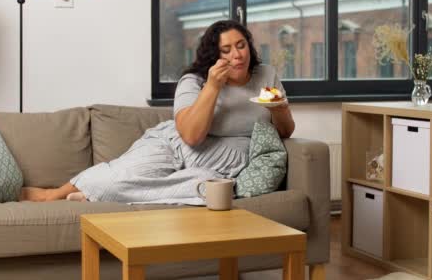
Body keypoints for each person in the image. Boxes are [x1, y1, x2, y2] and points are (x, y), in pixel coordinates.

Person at [21, 20, 295, 203]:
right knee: (120, 175)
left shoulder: (266, 75)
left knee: (201, 185)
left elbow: (285, 131)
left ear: (249, 45)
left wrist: (280, 108)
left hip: (222, 162)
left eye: (241, 45)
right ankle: (54, 194)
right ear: (214, 56)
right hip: (175, 143)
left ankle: (101, 194)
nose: (237, 55)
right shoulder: (195, 81)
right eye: (226, 50)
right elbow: (190, 135)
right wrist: (213, 86)